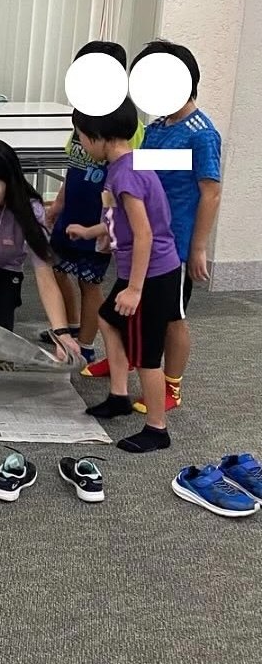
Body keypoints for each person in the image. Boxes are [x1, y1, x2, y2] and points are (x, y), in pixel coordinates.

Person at [67, 97, 182, 453]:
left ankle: (157, 429)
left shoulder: (126, 174)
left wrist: (134, 289)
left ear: (97, 136)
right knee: (108, 318)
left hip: (151, 275)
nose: (80, 144)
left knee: (147, 354)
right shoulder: (125, 165)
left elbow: (144, 233)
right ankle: (118, 396)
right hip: (141, 270)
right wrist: (91, 232)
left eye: (81, 137)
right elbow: (122, 222)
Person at [128, 39, 222, 415]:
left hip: (176, 245)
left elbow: (211, 192)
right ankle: (126, 360)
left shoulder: (201, 133)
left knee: (172, 316)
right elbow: (143, 173)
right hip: (147, 238)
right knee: (139, 307)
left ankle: (172, 386)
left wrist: (198, 248)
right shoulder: (158, 127)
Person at [45, 41, 144, 365]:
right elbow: (73, 167)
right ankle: (69, 326)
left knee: (89, 282)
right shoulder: (81, 121)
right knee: (56, 268)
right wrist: (58, 205)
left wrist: (109, 224)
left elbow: (132, 177)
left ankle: (86, 343)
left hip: (99, 218)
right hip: (71, 211)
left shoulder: (126, 125)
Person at [0, 138, 81, 357]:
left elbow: (45, 275)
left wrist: (61, 333)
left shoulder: (29, 211)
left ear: (9, 184)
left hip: (3, 271)